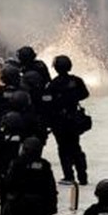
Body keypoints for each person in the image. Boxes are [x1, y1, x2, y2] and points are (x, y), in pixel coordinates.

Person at [43, 55, 91, 185]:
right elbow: (85, 94)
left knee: (63, 148)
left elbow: (47, 104)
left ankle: (69, 176)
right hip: (74, 119)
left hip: (59, 122)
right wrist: (72, 98)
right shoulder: (76, 81)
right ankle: (83, 176)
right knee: (75, 146)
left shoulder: (52, 85)